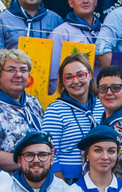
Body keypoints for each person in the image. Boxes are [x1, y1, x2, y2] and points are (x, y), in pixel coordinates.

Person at [0, 48, 44, 171]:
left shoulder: (33, 102)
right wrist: (31, 162)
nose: (18, 74)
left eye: (23, 70)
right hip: (7, 179)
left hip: (38, 175)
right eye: (11, 70)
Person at [40, 52, 103, 181]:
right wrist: (61, 186)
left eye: (80, 75)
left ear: (90, 75)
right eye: (68, 77)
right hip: (68, 180)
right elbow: (47, 150)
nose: (75, 81)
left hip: (101, 178)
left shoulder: (102, 106)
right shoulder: (55, 110)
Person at [50, 0, 103, 91]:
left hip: (104, 95)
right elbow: (54, 74)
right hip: (74, 96)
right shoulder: (61, 33)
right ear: (71, 3)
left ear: (95, 1)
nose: (85, 1)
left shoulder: (105, 31)